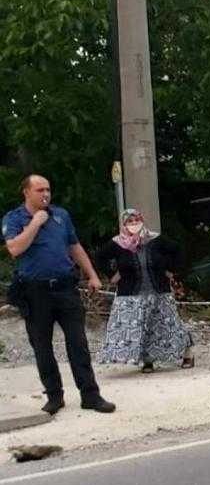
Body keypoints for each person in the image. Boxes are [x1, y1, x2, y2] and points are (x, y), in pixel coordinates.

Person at [1, 174, 115, 414]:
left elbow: (75, 246)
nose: (45, 194)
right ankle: (54, 396)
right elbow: (14, 248)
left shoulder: (61, 215)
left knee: (78, 343)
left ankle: (90, 395)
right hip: (34, 291)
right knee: (42, 346)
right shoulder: (14, 218)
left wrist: (92, 274)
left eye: (48, 190)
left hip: (65, 288)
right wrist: (35, 223)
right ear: (26, 192)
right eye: (40, 190)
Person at [96, 208, 193, 372]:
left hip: (159, 291)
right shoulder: (117, 243)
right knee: (141, 327)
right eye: (129, 221)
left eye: (136, 220)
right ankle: (148, 360)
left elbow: (177, 250)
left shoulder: (154, 239)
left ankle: (187, 353)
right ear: (123, 224)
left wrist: (171, 270)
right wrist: (113, 275)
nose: (134, 224)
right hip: (131, 294)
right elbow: (100, 257)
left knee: (169, 324)